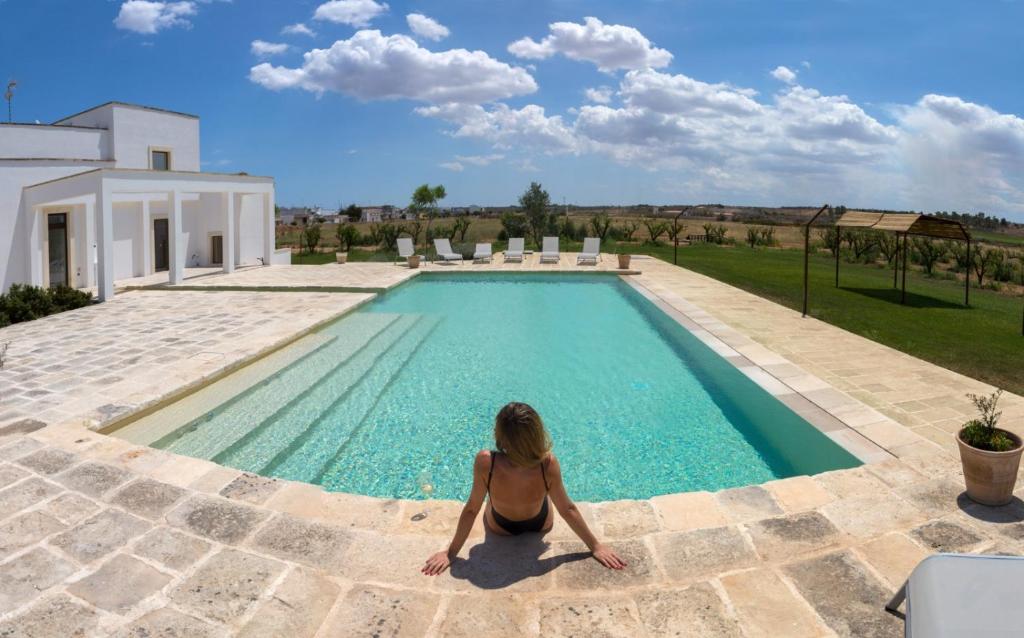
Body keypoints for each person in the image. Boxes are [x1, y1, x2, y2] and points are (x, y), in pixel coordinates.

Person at [422, 402, 627, 575]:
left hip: (501, 527)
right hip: (541, 523)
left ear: (500, 434)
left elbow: (471, 510)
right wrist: (596, 546)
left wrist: (450, 553)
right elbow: (568, 509)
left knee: (487, 499)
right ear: (536, 433)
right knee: (546, 492)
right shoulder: (548, 463)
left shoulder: (486, 461)